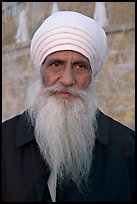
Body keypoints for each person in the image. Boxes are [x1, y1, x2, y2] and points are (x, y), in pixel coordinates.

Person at [2, 11, 135, 202]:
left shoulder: (126, 147)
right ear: (41, 73)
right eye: (56, 64)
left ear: (91, 76)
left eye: (80, 66)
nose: (67, 79)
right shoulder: (5, 141)